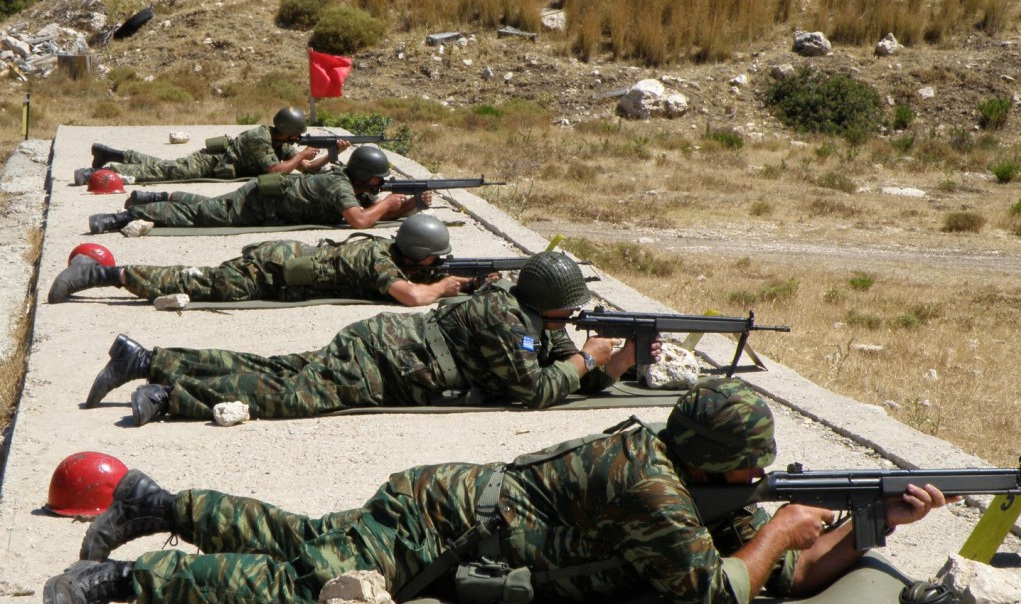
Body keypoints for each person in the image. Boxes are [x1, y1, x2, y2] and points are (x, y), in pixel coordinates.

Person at [41, 377, 959, 604]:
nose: (761, 487)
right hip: (444, 523)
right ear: (724, 466)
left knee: (308, 536)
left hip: (448, 500)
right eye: (754, 474)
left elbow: (779, 572)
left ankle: (156, 503)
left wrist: (870, 525)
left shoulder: (678, 471)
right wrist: (788, 527)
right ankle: (126, 583)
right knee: (306, 582)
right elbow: (719, 596)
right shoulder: (652, 489)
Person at [81, 252, 646, 424]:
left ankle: (150, 360)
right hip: (384, 364)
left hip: (385, 344)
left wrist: (616, 362)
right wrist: (587, 357)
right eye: (570, 308)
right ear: (551, 305)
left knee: (274, 369)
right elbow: (535, 391)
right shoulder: (508, 321)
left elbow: (564, 370)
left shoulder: (531, 315)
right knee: (288, 396)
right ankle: (171, 397)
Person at [47, 214, 472, 307]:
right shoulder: (375, 259)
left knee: (199, 280)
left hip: (283, 258)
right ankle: (102, 274)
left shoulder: (386, 251)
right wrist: (443, 286)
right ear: (418, 255)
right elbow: (412, 297)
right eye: (434, 259)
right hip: (267, 273)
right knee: (197, 282)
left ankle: (105, 273)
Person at [86, 146, 427, 234]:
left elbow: (375, 211)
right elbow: (361, 221)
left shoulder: (352, 185)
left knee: (209, 205)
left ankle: (161, 196)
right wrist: (389, 203)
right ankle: (124, 217)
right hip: (257, 204)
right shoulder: (339, 185)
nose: (380, 185)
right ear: (366, 177)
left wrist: (411, 204)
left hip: (265, 197)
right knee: (203, 215)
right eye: (378, 179)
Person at [73, 107, 339, 186]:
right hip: (211, 163)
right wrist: (302, 155)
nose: (299, 138)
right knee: (165, 172)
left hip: (219, 163)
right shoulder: (260, 138)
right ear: (288, 132)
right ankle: (96, 174)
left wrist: (331, 153)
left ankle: (112, 154)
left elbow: (306, 167)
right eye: (297, 134)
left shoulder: (280, 140)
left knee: (163, 166)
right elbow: (275, 171)